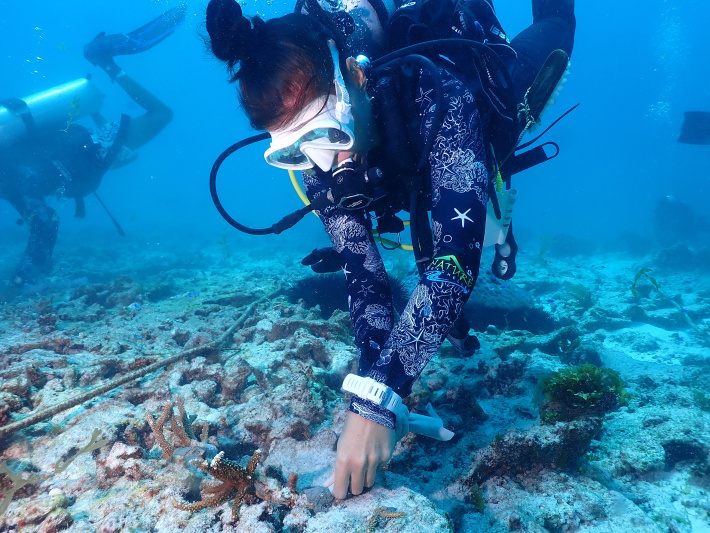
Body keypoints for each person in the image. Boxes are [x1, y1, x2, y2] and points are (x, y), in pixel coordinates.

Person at [205, 0, 575, 499]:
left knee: (555, 26)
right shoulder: (317, 168)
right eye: (292, 151)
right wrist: (378, 395)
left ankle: (497, 201)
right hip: (411, 166)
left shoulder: (438, 93)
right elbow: (365, 280)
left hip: (467, 125)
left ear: (353, 80)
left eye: (326, 133)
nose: (320, 162)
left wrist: (381, 399)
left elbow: (453, 265)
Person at [0, 8, 182, 288]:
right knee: (131, 145)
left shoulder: (13, 175)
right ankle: (105, 67)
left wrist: (20, 281)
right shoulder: (11, 173)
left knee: (161, 115)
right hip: (81, 150)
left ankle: (108, 64)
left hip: (84, 153)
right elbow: (41, 216)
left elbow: (44, 221)